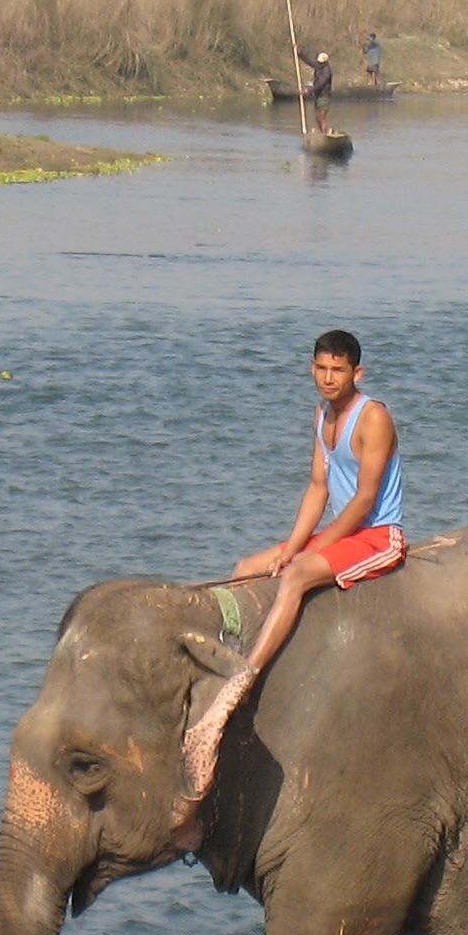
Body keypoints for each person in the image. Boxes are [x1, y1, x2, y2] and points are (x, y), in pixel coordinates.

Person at [178, 329, 404, 810]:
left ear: (356, 373)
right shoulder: (321, 416)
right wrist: (292, 546)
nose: (328, 378)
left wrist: (304, 558)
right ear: (311, 369)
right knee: (248, 566)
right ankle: (227, 651)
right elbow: (318, 489)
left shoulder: (373, 418)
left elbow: (365, 500)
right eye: (321, 368)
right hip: (337, 530)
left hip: (377, 535)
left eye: (338, 370)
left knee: (297, 576)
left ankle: (247, 675)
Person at [297, 47, 333, 133]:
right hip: (318, 95)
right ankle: (322, 134)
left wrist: (307, 91)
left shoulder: (327, 72)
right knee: (317, 117)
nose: (318, 64)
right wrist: (300, 53)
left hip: (324, 96)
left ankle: (325, 135)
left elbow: (320, 84)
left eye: (321, 62)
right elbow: (309, 61)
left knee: (321, 117)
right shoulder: (319, 66)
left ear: (325, 62)